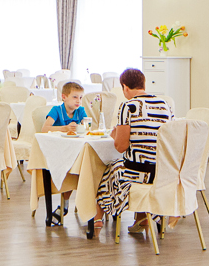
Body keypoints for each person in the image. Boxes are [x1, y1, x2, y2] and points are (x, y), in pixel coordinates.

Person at [94, 68, 174, 236]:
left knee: (107, 168)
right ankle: (142, 216)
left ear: (125, 87)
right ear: (143, 84)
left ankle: (97, 219)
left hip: (138, 175)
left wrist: (116, 133)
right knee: (133, 164)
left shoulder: (128, 106)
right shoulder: (164, 105)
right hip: (162, 173)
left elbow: (121, 147)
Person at [41, 81, 91, 225]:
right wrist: (64, 128)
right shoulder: (56, 110)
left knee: (85, 166)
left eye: (80, 97)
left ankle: (79, 204)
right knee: (71, 167)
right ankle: (65, 204)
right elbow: (45, 129)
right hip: (58, 152)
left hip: (76, 150)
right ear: (64, 97)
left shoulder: (80, 111)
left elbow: (87, 128)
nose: (78, 101)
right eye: (75, 97)